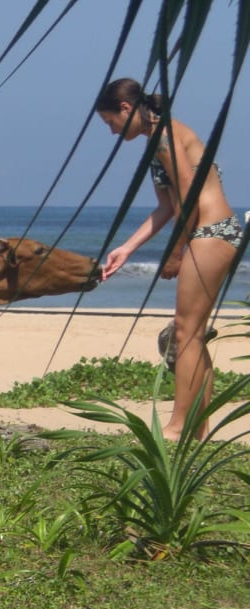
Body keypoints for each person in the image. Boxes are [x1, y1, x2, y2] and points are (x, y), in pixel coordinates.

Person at [96, 77, 243, 441]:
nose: (112, 132)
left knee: (184, 332)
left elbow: (190, 199)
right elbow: (166, 207)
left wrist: (175, 254)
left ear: (126, 109)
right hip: (210, 232)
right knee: (190, 333)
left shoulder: (164, 137)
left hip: (210, 233)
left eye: (111, 122)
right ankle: (198, 429)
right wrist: (126, 248)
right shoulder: (157, 140)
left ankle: (179, 426)